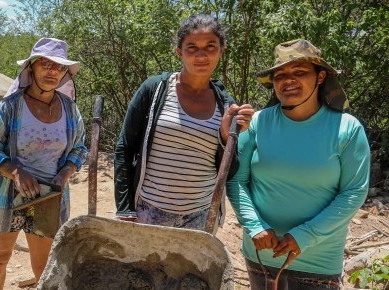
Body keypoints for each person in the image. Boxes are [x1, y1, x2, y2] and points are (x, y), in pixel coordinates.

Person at [226, 39, 370, 289]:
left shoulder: (347, 128)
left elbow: (353, 192)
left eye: (300, 72)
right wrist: (254, 225)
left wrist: (305, 235)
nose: (288, 80)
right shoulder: (257, 124)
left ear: (321, 77)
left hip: (319, 263)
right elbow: (236, 179)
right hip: (261, 255)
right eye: (280, 75)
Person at [114, 14, 254, 231]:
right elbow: (125, 149)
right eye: (192, 47)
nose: (201, 55)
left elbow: (230, 171)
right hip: (149, 211)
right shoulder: (155, 90)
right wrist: (125, 209)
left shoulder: (226, 105)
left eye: (210, 46)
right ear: (179, 52)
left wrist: (226, 137)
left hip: (201, 216)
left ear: (221, 50)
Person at [0, 37, 87, 290]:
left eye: (60, 67)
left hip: (48, 198)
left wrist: (65, 173)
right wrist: (16, 172)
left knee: (45, 266)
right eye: (46, 64)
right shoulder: (9, 107)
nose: (53, 71)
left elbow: (79, 149)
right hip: (8, 198)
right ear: (32, 67)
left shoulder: (70, 110)